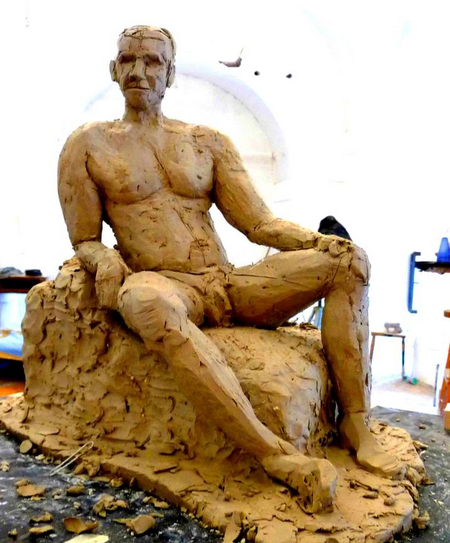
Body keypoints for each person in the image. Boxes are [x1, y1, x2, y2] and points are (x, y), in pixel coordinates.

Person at [58, 25, 401, 513]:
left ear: (170, 74)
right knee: (148, 303)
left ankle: (357, 423)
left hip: (225, 281)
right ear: (113, 70)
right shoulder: (89, 144)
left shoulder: (206, 142)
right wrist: (104, 259)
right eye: (128, 60)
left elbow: (259, 223)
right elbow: (85, 239)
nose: (139, 71)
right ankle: (274, 454)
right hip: (163, 283)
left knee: (349, 262)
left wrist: (321, 242)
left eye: (152, 61)